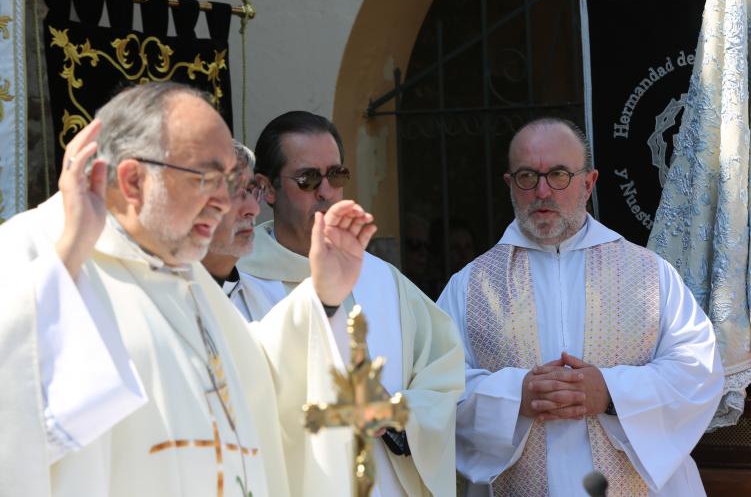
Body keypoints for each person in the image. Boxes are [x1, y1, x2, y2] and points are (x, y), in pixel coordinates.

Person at [0, 83, 376, 496]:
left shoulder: (186, 276)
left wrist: (322, 296)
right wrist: (70, 254)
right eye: (208, 178)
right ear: (132, 180)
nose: (224, 201)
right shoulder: (39, 252)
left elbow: (260, 384)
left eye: (232, 181)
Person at [437, 117, 724, 496]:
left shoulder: (651, 275)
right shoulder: (471, 285)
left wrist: (609, 392)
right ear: (510, 185)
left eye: (559, 175)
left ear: (588, 183)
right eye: (527, 176)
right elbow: (435, 389)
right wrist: (514, 396)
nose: (542, 191)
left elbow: (698, 373)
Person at [236, 110, 465, 496]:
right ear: (266, 189)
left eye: (336, 176)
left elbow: (443, 371)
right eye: (308, 179)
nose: (326, 192)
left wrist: (398, 416)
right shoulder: (238, 280)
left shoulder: (383, 279)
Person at [200, 141, 267, 321]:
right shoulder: (155, 298)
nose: (253, 209)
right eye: (233, 191)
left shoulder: (267, 299)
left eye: (253, 191)